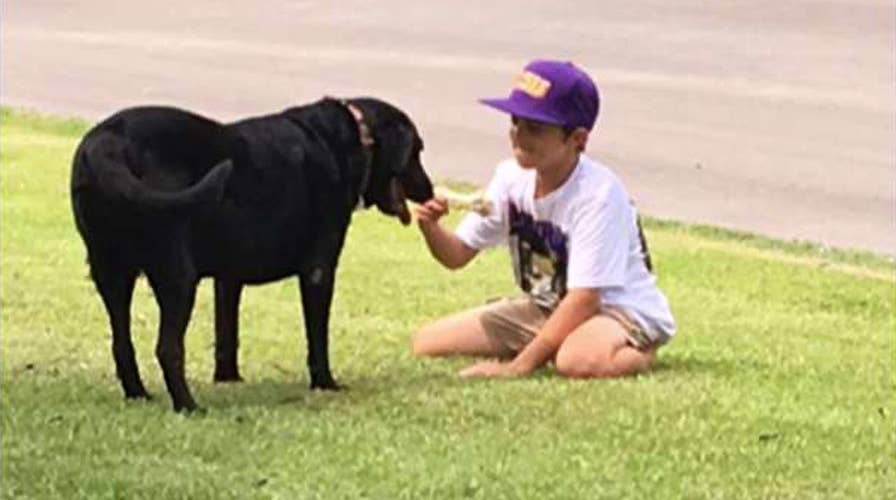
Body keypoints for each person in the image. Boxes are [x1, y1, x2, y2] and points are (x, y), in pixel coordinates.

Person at [411, 59, 676, 379]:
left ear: (577, 139)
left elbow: (586, 298)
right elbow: (456, 255)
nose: (518, 136)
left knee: (576, 362)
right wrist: (430, 226)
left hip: (616, 310)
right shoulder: (511, 178)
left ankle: (640, 350)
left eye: (535, 127)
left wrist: (518, 366)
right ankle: (554, 340)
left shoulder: (598, 195)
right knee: (427, 342)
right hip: (550, 304)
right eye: (515, 121)